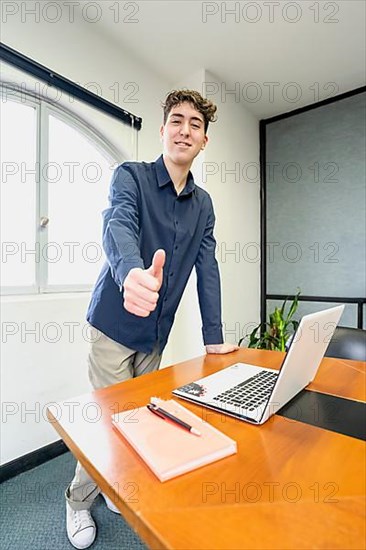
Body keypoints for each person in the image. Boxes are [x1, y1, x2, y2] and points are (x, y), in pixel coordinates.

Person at [65, 89, 238, 549]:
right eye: (176, 120)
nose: (185, 129)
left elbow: (208, 267)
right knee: (107, 419)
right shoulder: (131, 177)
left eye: (195, 124)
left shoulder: (203, 205)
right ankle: (78, 500)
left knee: (138, 418)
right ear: (162, 131)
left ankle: (114, 482)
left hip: (156, 335)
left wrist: (214, 336)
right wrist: (131, 274)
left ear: (204, 141)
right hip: (114, 326)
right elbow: (117, 223)